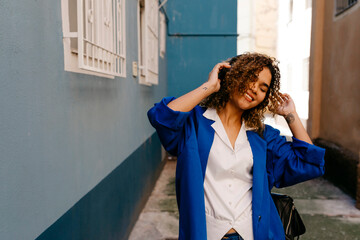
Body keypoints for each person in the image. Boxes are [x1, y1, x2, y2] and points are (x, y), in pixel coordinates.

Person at [147, 53, 325, 240]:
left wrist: (291, 115)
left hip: (253, 234)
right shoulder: (194, 124)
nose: (255, 89)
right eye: (250, 78)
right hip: (206, 234)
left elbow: (308, 163)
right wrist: (209, 86)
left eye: (263, 88)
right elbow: (161, 117)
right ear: (232, 75)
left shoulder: (262, 136)